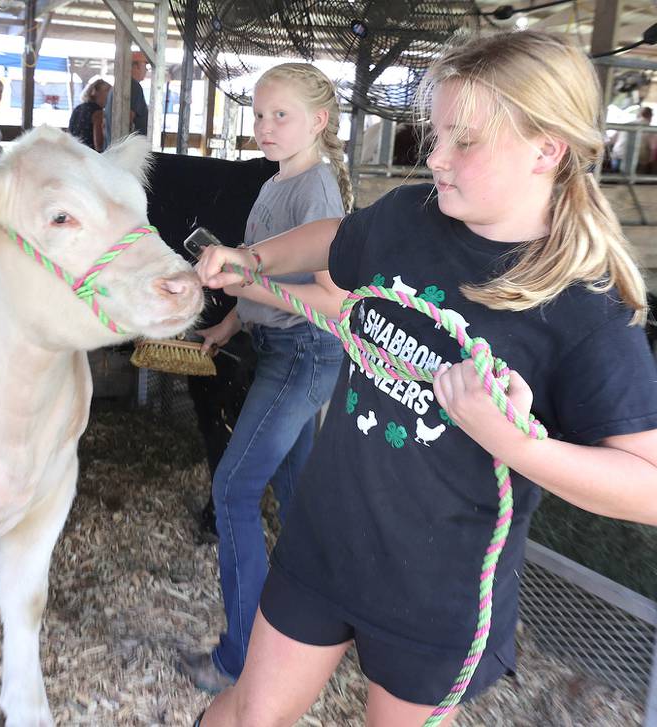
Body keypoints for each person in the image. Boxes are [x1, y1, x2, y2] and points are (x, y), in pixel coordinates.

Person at [193, 30, 657, 727]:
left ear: (548, 148)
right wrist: (254, 259)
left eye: (463, 141)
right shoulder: (412, 217)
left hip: (436, 592)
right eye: (435, 133)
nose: (435, 157)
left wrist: (519, 445)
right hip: (326, 539)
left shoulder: (583, 310)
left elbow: (646, 486)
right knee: (249, 714)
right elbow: (335, 236)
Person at [177, 63, 354, 693]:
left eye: (280, 115)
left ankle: (240, 660)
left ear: (319, 121)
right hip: (280, 347)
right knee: (300, 490)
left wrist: (245, 284)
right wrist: (228, 327)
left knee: (231, 491)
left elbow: (326, 295)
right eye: (258, 115)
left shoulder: (316, 190)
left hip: (303, 352)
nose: (265, 127)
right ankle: (334, 618)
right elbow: (268, 284)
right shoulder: (277, 182)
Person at [103, 51, 149, 149]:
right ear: (135, 66)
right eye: (145, 66)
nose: (146, 70)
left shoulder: (116, 87)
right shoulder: (133, 86)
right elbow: (127, 120)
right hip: (125, 152)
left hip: (113, 149)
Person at [68, 77, 111, 151]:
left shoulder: (78, 108)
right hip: (88, 156)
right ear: (95, 92)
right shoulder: (97, 112)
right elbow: (99, 146)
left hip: (73, 152)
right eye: (107, 91)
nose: (110, 95)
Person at [609, 106, 652, 173]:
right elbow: (654, 148)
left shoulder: (627, 124)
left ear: (638, 115)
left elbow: (612, 140)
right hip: (637, 162)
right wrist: (650, 162)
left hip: (618, 157)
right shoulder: (650, 129)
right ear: (650, 116)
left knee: (615, 176)